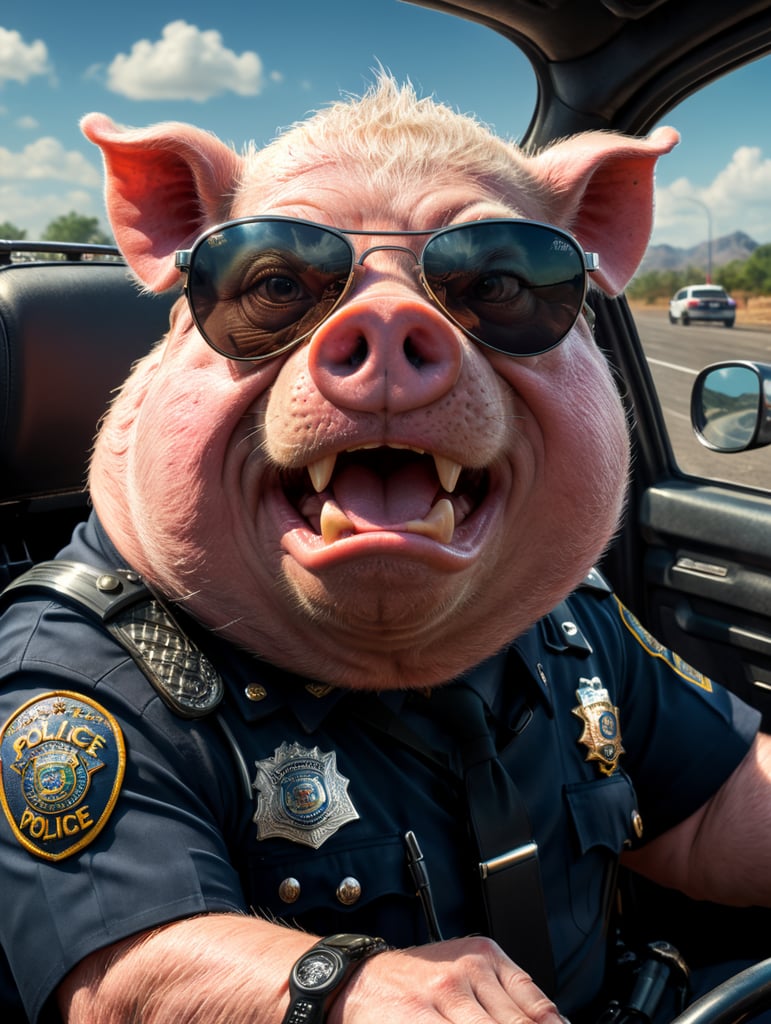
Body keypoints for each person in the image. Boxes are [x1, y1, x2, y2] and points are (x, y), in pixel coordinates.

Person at [0, 75, 768, 1024]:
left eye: (496, 283)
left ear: (597, 227)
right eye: (276, 285)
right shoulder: (82, 665)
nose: (390, 332)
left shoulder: (558, 614)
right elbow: (118, 975)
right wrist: (339, 988)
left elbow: (723, 806)